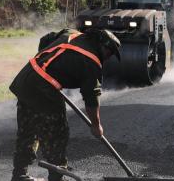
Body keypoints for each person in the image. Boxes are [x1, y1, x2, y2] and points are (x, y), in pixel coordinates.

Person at [9, 28, 121, 181]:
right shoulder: (92, 61)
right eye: (110, 53)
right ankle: (57, 177)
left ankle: (19, 174)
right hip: (44, 90)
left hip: (25, 80)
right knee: (57, 134)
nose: (108, 58)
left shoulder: (71, 33)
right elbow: (91, 98)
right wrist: (96, 125)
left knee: (28, 131)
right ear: (103, 46)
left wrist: (47, 67)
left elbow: (46, 39)